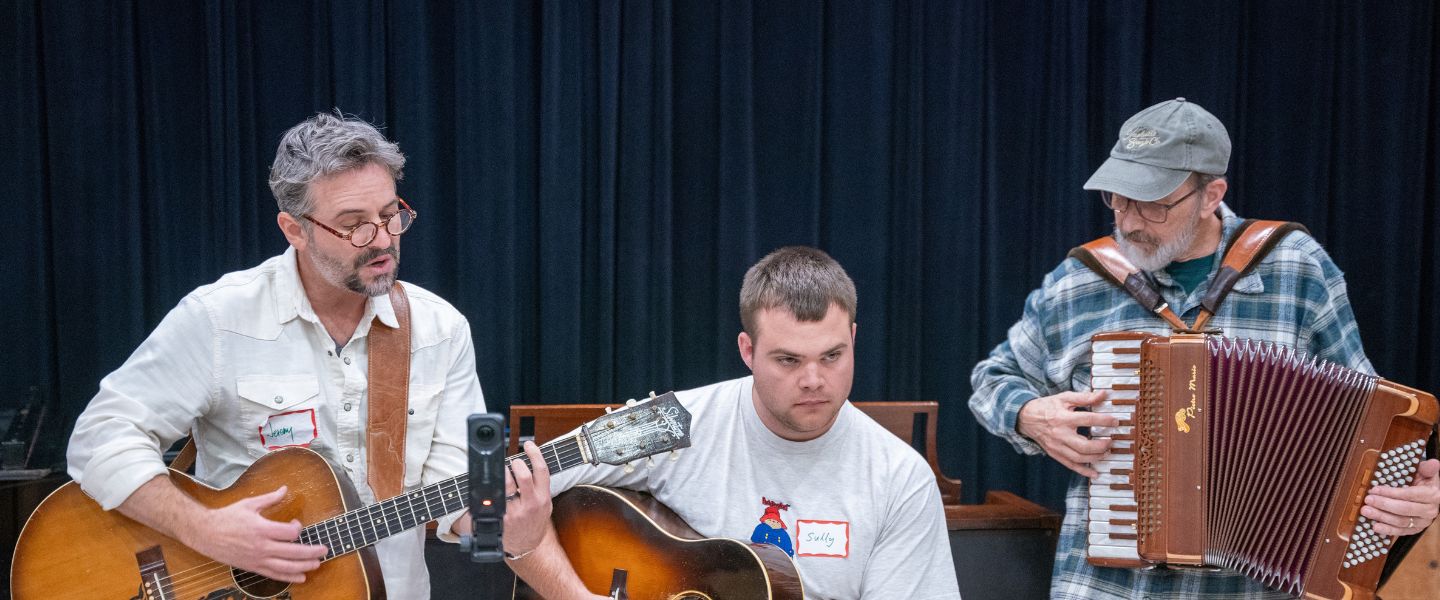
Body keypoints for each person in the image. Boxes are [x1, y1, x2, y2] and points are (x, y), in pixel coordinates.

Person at [967, 97, 1440, 599]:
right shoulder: (1079, 282)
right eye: (1117, 198)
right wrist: (1029, 415)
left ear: (1211, 194)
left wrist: (1409, 495)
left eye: (1152, 204)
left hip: (1251, 588)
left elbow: (1372, 421)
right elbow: (992, 380)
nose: (1127, 221)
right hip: (1107, 586)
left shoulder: (1297, 269)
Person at [66, 112, 485, 599]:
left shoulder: (440, 330)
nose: (383, 240)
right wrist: (201, 527)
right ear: (295, 230)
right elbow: (99, 437)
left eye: (391, 215)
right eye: (354, 226)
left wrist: (502, 523)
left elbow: (459, 490)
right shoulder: (220, 319)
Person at [502, 246, 962, 599]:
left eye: (833, 355)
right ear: (747, 350)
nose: (814, 380)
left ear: (854, 338)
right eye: (787, 359)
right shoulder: (666, 422)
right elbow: (485, 501)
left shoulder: (899, 479)